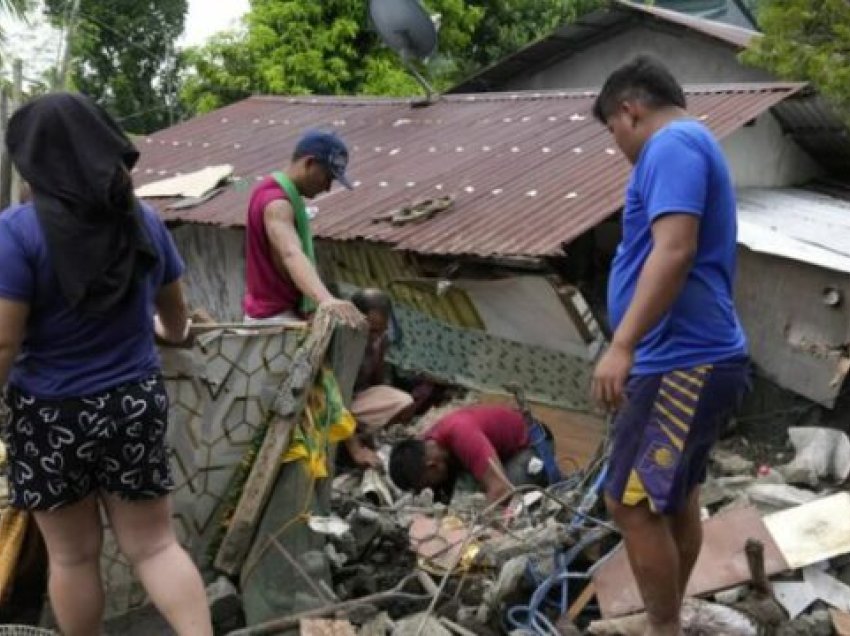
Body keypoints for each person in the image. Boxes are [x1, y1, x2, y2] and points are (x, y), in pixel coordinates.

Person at [0, 93, 212, 636]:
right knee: (156, 545)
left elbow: (4, 345)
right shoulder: (142, 221)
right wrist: (172, 336)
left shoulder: (16, 233)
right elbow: (177, 319)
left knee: (72, 558)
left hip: (50, 414)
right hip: (132, 403)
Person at [590, 56, 750, 636]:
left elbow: (674, 249)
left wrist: (622, 345)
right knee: (675, 498)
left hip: (680, 360)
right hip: (695, 358)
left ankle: (663, 630)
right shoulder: (691, 143)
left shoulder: (673, 144)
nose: (618, 146)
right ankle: (671, 620)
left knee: (629, 504)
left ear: (629, 110)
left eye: (613, 131)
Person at [243, 129, 363, 327]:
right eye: (327, 177)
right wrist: (326, 299)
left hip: (277, 314)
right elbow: (290, 253)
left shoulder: (274, 192)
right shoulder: (277, 203)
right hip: (275, 320)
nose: (327, 188)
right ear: (309, 163)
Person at [388, 404, 553, 503]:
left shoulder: (462, 435)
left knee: (507, 505)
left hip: (532, 445)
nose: (429, 488)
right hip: (498, 453)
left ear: (432, 466)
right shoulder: (428, 445)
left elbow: (501, 489)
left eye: (427, 484)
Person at [342, 289, 415, 468]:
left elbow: (377, 382)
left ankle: (366, 434)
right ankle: (350, 442)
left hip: (358, 400)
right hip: (334, 403)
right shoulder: (341, 343)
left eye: (380, 331)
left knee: (405, 402)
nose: (375, 337)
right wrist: (356, 450)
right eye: (371, 331)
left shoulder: (379, 341)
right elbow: (333, 396)